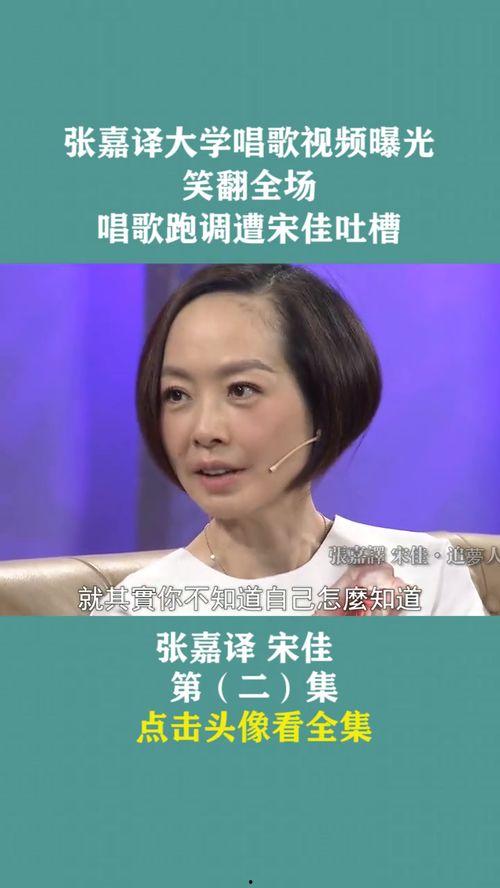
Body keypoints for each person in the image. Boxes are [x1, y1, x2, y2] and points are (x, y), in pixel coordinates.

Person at [96, 264, 486, 617]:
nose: (204, 430)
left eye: (241, 389)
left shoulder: (428, 575)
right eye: (177, 394)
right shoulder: (134, 612)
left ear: (325, 399)